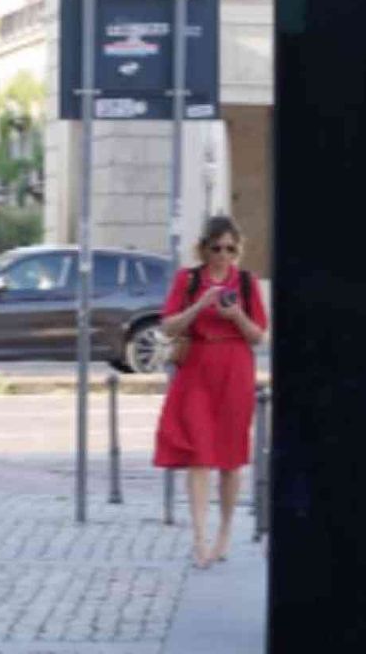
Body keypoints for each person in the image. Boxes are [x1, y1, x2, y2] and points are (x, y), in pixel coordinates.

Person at [153, 215, 268, 569]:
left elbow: (258, 336)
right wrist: (200, 305)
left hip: (235, 369)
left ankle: (224, 534)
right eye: (216, 247)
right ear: (204, 248)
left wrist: (235, 315)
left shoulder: (246, 284)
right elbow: (168, 326)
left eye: (231, 249)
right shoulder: (187, 280)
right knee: (199, 454)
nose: (223, 255)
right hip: (198, 369)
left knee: (231, 459)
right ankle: (199, 538)